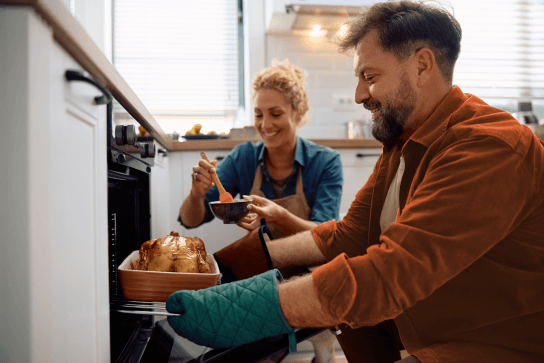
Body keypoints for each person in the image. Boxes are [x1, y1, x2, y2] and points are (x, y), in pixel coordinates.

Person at [168, 2, 544, 363]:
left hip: (497, 345)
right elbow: (348, 235)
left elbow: (392, 272)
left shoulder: (488, 147)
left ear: (422, 66)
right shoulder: (402, 142)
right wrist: (225, 267)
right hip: (423, 330)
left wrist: (237, 310)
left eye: (370, 76)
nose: (359, 94)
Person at [178, 59, 343, 362]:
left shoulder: (325, 161)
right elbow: (190, 220)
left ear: (299, 112)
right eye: (258, 114)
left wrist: (276, 219)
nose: (265, 124)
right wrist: (197, 193)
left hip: (309, 261)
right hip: (259, 264)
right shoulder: (244, 157)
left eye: (276, 114)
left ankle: (323, 351)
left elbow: (326, 233)